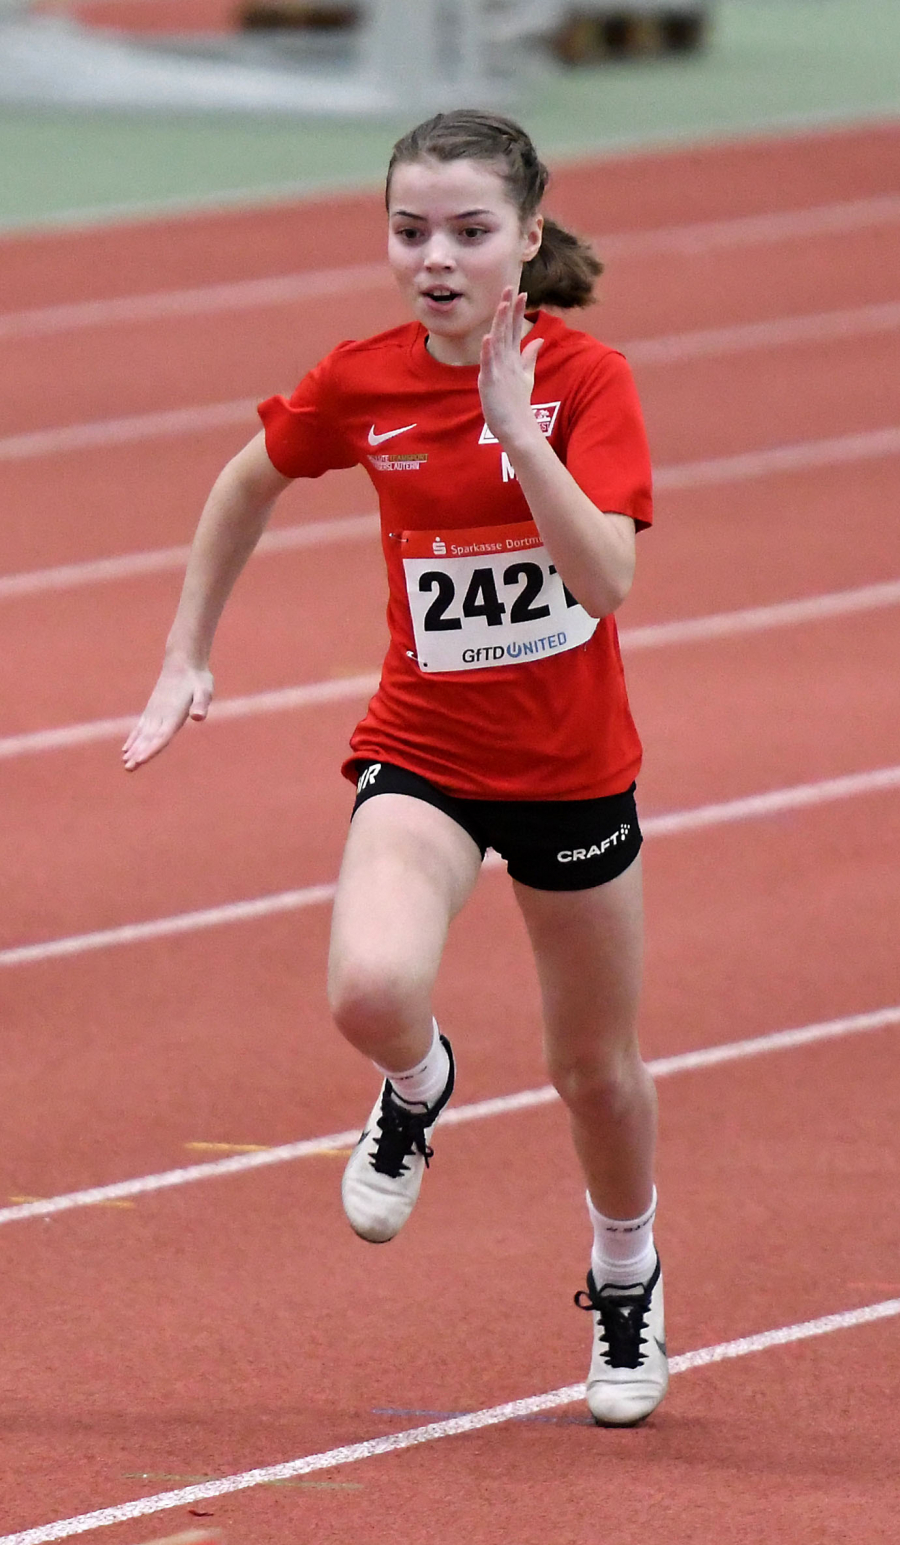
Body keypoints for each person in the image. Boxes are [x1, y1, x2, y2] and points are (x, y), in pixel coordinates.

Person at [123, 110, 666, 1427]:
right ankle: (418, 1083)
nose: (437, 258)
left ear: (527, 240)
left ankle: (625, 1267)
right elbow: (244, 482)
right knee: (369, 986)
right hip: (426, 751)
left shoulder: (589, 381)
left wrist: (517, 432)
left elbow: (606, 582)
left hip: (575, 770)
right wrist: (185, 652)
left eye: (471, 233)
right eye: (411, 229)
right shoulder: (362, 382)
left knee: (594, 1072)